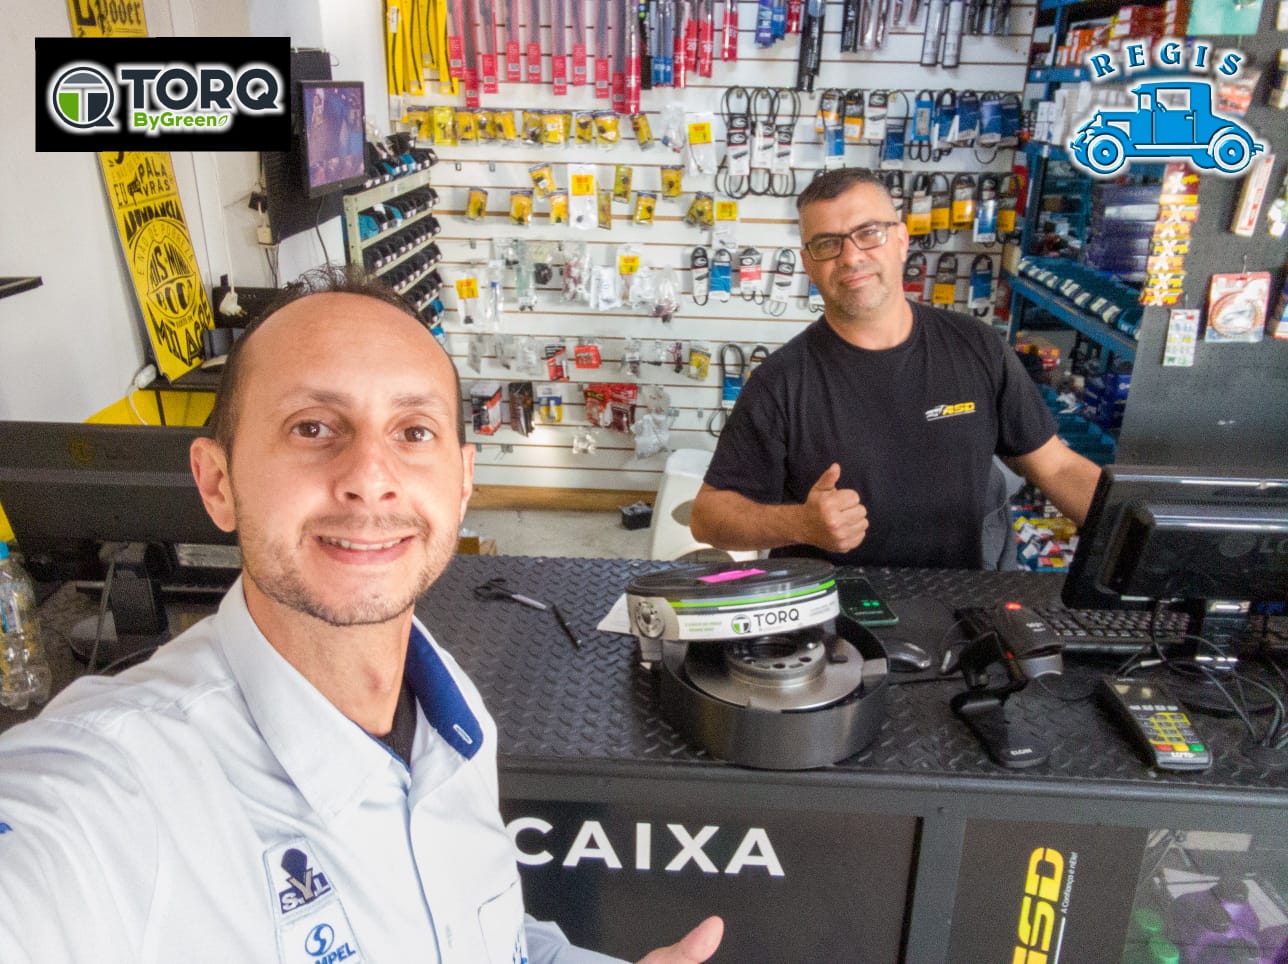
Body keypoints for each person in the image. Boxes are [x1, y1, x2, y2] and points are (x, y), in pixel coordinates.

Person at [0, 272, 723, 964]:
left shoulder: (453, 714)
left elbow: (474, 929)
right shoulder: (116, 792)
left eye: (413, 432)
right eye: (313, 427)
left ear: (464, 480)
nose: (370, 478)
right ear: (217, 483)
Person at [690, 168, 1102, 569]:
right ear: (808, 264)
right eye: (827, 243)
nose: (851, 257)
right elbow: (709, 515)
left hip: (967, 603)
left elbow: (1058, 467)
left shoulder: (977, 346)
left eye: (869, 233)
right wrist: (800, 524)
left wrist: (1132, 534)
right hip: (835, 609)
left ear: (902, 240)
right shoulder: (779, 382)